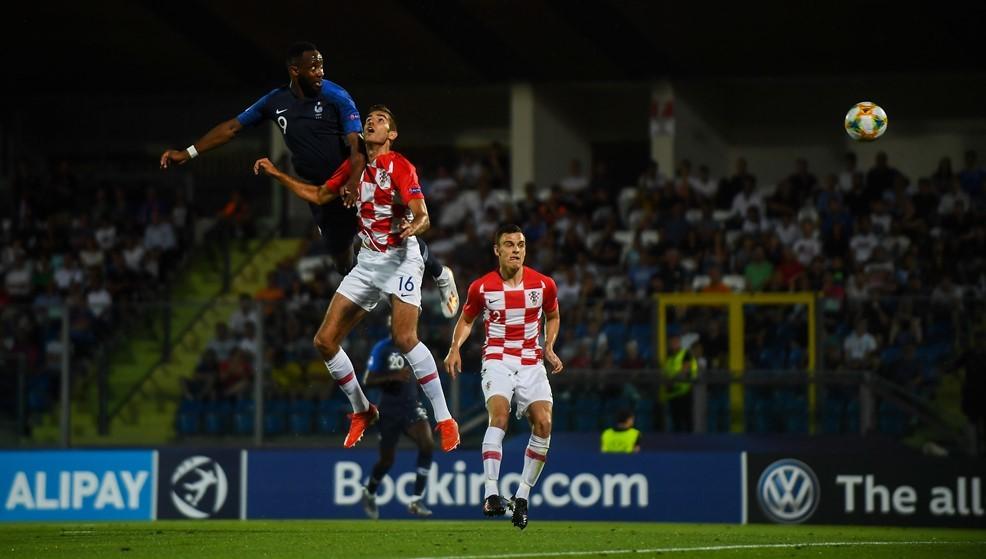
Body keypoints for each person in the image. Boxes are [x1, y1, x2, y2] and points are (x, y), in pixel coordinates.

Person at [159, 41, 459, 317]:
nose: (320, 72)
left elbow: (357, 147)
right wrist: (188, 153)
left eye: (322, 65)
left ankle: (439, 274)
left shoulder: (336, 96)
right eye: (313, 67)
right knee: (342, 260)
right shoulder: (275, 101)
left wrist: (354, 183)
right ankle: (371, 288)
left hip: (354, 180)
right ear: (295, 71)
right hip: (321, 192)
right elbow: (232, 128)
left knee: (390, 231)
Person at [254, 105, 459, 451]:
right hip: (367, 260)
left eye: (380, 120)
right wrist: (277, 174)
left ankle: (444, 418)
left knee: (404, 337)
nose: (371, 121)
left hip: (401, 258)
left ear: (391, 134)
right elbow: (319, 195)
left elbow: (422, 214)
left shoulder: (399, 166)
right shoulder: (354, 167)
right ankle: (363, 410)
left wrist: (415, 225)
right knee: (324, 341)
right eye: (369, 119)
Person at [444, 224, 563, 530]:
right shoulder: (482, 287)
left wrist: (548, 347)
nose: (516, 250)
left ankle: (522, 496)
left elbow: (553, 315)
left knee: (544, 423)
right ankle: (491, 493)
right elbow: (467, 319)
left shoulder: (544, 285)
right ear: (497, 250)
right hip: (497, 359)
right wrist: (455, 347)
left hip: (531, 361)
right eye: (509, 244)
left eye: (521, 244)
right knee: (499, 417)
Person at [360, 328, 434, 519]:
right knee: (387, 460)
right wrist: (392, 377)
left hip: (411, 406)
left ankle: (416, 499)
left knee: (427, 444)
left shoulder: (415, 347)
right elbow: (368, 380)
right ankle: (370, 492)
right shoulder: (382, 348)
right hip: (389, 410)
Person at [663, 334, 698, 432]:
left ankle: (690, 442)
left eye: (675, 342)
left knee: (687, 419)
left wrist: (673, 381)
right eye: (671, 342)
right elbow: (666, 373)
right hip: (672, 394)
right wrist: (668, 383)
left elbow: (685, 370)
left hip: (684, 392)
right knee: (676, 421)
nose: (673, 344)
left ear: (679, 342)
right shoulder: (669, 357)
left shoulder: (686, 354)